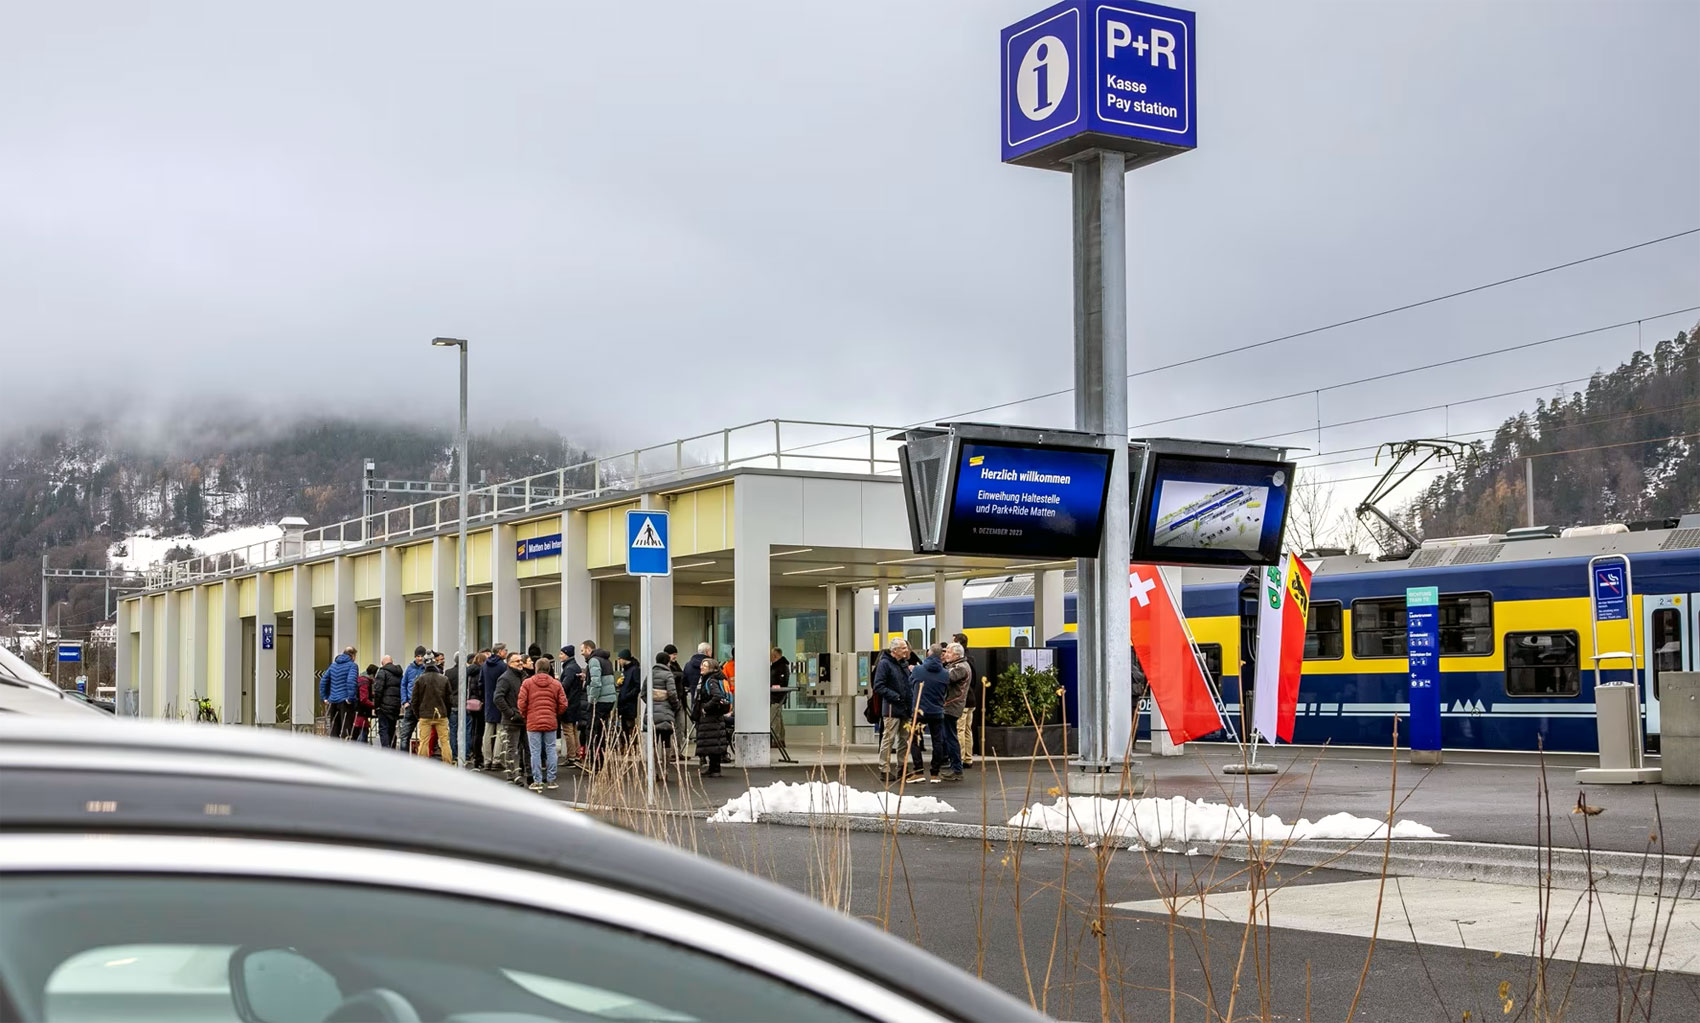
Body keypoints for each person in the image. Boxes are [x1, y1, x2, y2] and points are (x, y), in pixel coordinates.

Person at [873, 638, 919, 782]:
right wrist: (896, 697)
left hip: (905, 707)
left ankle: (902, 768)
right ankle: (884, 769)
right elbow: (878, 686)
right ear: (894, 651)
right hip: (892, 708)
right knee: (889, 738)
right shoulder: (884, 664)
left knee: (904, 740)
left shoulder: (904, 664)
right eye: (903, 648)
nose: (907, 650)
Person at [518, 655, 566, 792]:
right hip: (550, 720)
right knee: (551, 749)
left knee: (535, 752)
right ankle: (551, 779)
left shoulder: (527, 683)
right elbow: (563, 703)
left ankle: (537, 780)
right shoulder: (556, 684)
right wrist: (555, 713)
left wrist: (525, 715)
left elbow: (521, 703)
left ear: (536, 668)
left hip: (533, 721)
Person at [910, 645, 952, 783]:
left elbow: (911, 685)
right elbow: (946, 690)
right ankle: (935, 773)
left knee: (915, 740)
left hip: (919, 711)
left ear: (929, 653)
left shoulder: (917, 670)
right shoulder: (945, 673)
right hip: (937, 711)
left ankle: (918, 771)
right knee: (937, 741)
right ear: (941, 656)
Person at [493, 650, 530, 784]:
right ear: (509, 663)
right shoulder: (505, 678)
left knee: (528, 748)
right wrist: (511, 713)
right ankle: (512, 775)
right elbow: (498, 698)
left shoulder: (524, 676)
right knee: (512, 749)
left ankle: (528, 773)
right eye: (517, 661)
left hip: (525, 719)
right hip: (512, 720)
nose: (520, 663)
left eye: (521, 660)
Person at [410, 654, 453, 764]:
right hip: (441, 714)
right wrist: (446, 713)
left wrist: (418, 714)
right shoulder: (444, 679)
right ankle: (448, 763)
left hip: (425, 715)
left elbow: (414, 700)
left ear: (425, 665)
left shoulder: (419, 679)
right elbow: (449, 699)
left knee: (424, 741)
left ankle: (422, 765)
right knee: (444, 741)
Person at [582, 640, 618, 769]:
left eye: (582, 650)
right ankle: (601, 761)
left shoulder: (594, 661)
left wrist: (592, 699)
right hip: (609, 699)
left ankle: (594, 762)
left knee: (593, 731)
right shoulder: (606, 660)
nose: (582, 653)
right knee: (602, 732)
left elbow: (596, 683)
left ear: (588, 649)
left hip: (599, 701)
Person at [695, 659, 732, 777]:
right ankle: (713, 768)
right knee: (714, 742)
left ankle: (715, 769)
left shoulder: (711, 680)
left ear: (711, 668)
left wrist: (705, 707)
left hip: (711, 716)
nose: (702, 667)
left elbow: (717, 696)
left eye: (705, 666)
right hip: (716, 716)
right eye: (702, 665)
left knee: (712, 742)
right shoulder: (716, 678)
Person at [939, 643, 969, 782]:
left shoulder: (960, 668)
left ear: (957, 655)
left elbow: (946, 678)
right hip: (951, 705)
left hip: (951, 706)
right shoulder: (958, 666)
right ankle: (955, 766)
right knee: (949, 736)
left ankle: (957, 769)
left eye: (949, 653)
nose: (946, 655)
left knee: (951, 738)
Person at [318, 646, 360, 740]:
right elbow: (351, 681)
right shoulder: (352, 665)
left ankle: (334, 751)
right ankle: (346, 751)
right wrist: (351, 698)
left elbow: (323, 681)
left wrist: (324, 697)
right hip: (345, 701)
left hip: (332, 701)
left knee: (334, 728)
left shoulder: (333, 665)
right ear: (352, 655)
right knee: (347, 728)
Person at [480, 643, 510, 770]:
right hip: (500, 701)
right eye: (505, 650)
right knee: (500, 731)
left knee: (487, 732)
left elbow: (480, 683)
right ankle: (497, 759)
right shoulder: (503, 666)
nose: (506, 652)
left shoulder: (485, 665)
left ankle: (487, 759)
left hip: (488, 701)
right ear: (500, 652)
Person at [558, 644, 587, 767]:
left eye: (561, 654)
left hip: (568, 703)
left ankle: (571, 756)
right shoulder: (575, 667)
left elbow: (564, 686)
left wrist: (556, 683)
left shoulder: (569, 669)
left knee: (568, 731)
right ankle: (576, 754)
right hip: (575, 702)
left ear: (567, 654)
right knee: (573, 730)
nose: (559, 656)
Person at [953, 633, 978, 769]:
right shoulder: (972, 659)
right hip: (972, 699)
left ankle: (960, 758)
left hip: (962, 700)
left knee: (960, 729)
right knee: (968, 729)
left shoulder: (961, 663)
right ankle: (969, 757)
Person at [651, 651, 680, 767]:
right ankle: (665, 769)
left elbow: (643, 694)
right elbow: (673, 694)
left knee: (653, 741)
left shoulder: (650, 674)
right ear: (667, 662)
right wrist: (675, 706)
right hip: (666, 711)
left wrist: (652, 702)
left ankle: (654, 769)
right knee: (666, 741)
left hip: (652, 712)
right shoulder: (668, 675)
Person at [461, 650, 489, 769]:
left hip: (471, 704)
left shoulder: (470, 672)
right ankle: (478, 757)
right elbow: (481, 688)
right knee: (479, 732)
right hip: (480, 704)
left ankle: (474, 754)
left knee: (473, 730)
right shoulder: (481, 672)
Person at [399, 646, 428, 752]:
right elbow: (403, 685)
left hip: (424, 706)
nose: (420, 658)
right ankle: (404, 761)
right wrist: (404, 701)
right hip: (410, 705)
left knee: (425, 736)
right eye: (418, 656)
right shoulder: (409, 668)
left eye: (422, 656)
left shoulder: (427, 669)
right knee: (405, 735)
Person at [370, 656, 404, 749]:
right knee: (392, 730)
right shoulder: (399, 673)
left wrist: (376, 706)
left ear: (382, 663)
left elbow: (378, 690)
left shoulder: (382, 672)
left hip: (384, 707)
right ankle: (392, 750)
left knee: (383, 729)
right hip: (395, 706)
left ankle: (386, 751)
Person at [616, 649, 642, 739]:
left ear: (624, 659)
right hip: (623, 704)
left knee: (629, 726)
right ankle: (625, 745)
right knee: (623, 727)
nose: (618, 661)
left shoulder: (635, 670)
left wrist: (627, 696)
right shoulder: (625, 671)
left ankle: (631, 745)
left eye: (619, 659)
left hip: (629, 704)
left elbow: (637, 687)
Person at [768, 647, 790, 750]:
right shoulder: (778, 666)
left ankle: (776, 739)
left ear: (775, 655)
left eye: (771, 656)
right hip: (777, 696)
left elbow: (781, 683)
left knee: (774, 718)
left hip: (777, 696)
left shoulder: (780, 667)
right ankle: (780, 739)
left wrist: (774, 690)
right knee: (778, 717)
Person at [351, 665, 376, 745]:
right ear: (373, 674)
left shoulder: (362, 679)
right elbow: (364, 699)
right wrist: (375, 705)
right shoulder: (365, 682)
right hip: (361, 713)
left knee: (359, 733)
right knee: (363, 733)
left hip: (358, 712)